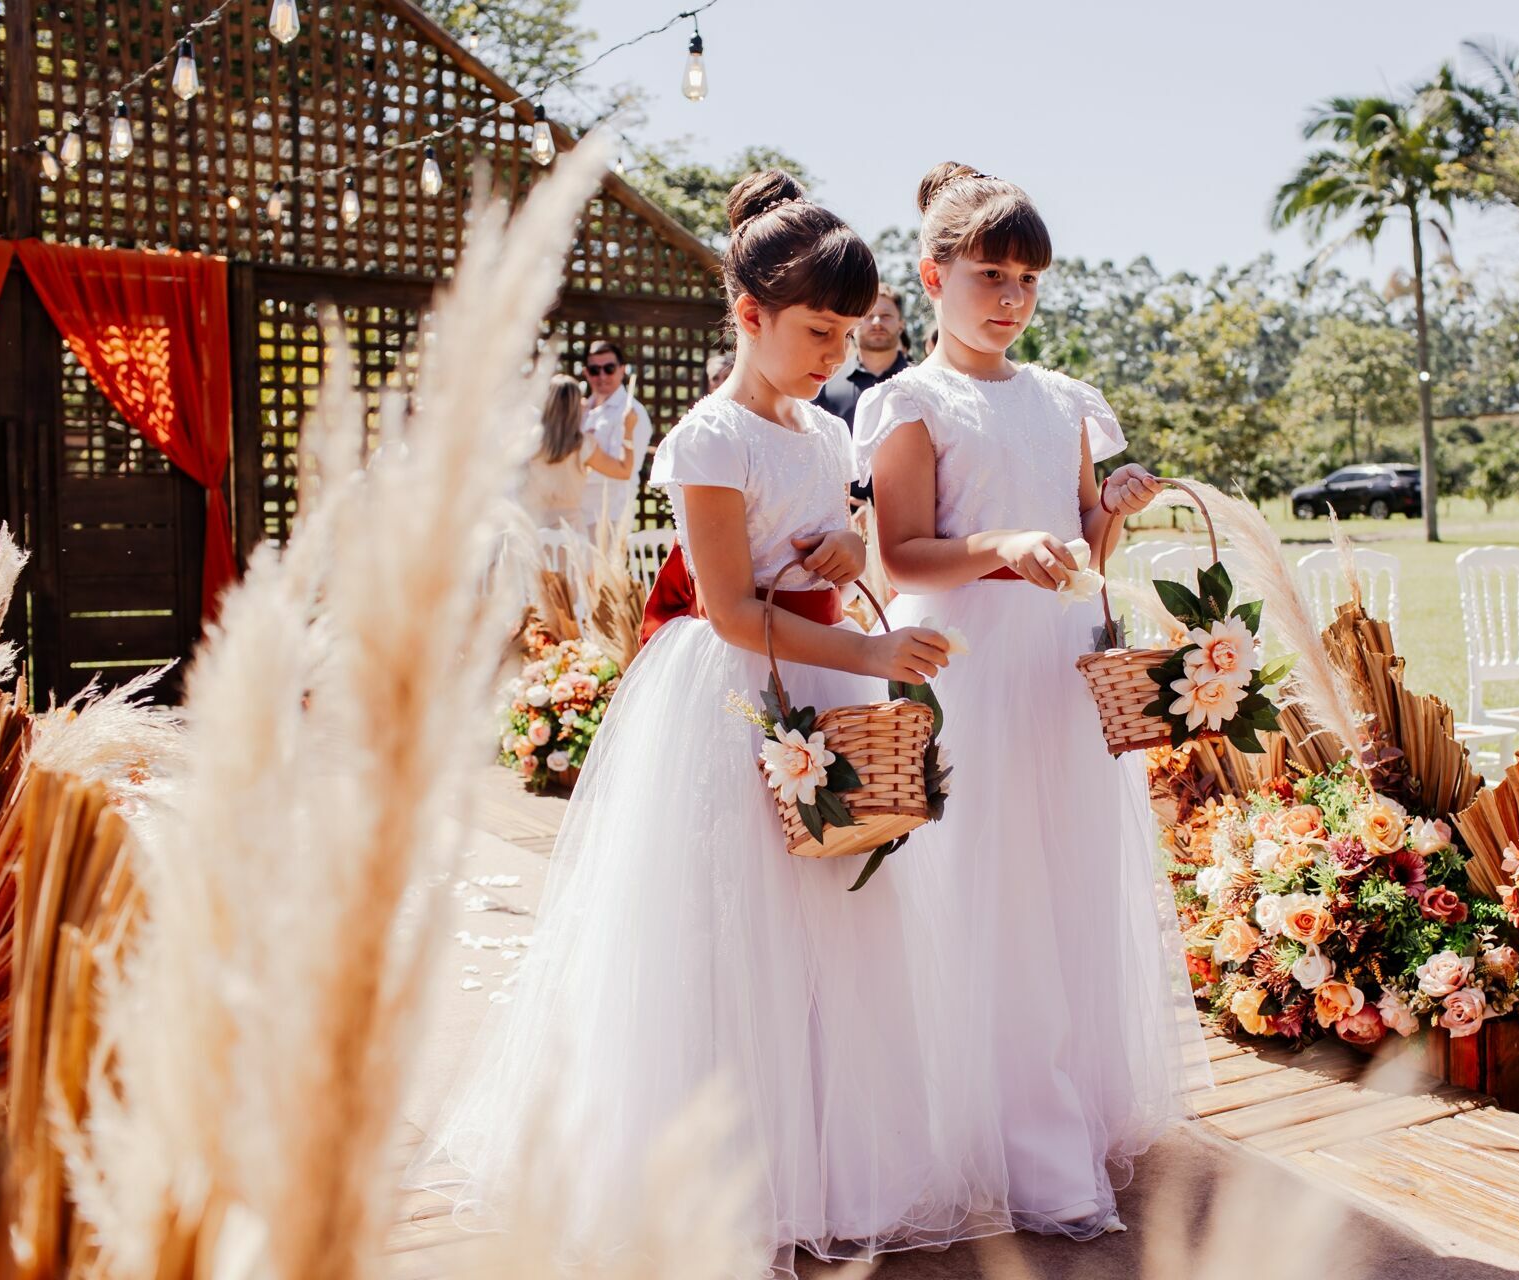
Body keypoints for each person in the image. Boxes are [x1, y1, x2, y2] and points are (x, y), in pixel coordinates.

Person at [425, 170, 969, 1275]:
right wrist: (869, 648)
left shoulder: (827, 430)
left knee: (832, 923)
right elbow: (728, 609)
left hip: (823, 690)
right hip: (732, 696)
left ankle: (831, 1161)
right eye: (815, 331)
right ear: (749, 315)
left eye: (848, 334)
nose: (832, 354)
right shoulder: (710, 438)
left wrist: (845, 552)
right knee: (725, 934)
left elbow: (837, 545)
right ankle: (722, 1171)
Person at [856, 162, 1204, 1239]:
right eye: (990, 273)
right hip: (968, 663)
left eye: (1029, 279)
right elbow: (897, 547)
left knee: (1063, 887)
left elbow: (1085, 550)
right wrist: (1003, 544)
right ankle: (1000, 1140)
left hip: (1057, 668)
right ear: (935, 274)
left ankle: (1066, 1110)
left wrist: (1110, 512)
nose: (1010, 296)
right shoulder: (906, 399)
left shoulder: (1068, 401)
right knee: (982, 891)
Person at [813, 285, 911, 503]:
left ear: (901, 325)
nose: (877, 322)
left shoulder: (923, 385)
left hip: (917, 523)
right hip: (842, 522)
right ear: (855, 325)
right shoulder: (824, 385)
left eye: (886, 316)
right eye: (869, 316)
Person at [579, 339, 651, 539]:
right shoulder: (582, 410)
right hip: (577, 515)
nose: (602, 376)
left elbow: (626, 470)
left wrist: (577, 465)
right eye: (594, 370)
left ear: (622, 370)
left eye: (609, 368)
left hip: (609, 516)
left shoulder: (632, 413)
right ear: (586, 373)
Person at [520, 375, 588, 532]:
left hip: (535, 530)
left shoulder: (530, 440)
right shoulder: (585, 444)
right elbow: (624, 470)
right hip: (570, 534)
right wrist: (628, 434)